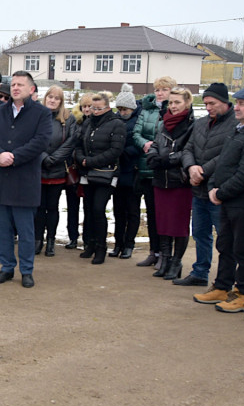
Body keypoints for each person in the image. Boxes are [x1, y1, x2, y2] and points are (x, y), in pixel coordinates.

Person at [193, 86, 244, 312]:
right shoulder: (239, 129)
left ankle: (243, 294)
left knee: (243, 248)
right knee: (225, 244)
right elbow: (223, 163)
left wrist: (219, 192)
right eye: (236, 103)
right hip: (228, 199)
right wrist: (213, 186)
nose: (236, 108)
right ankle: (222, 287)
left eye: (242, 104)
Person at [0, 71, 52, 287]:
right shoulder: (0, 111)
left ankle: (27, 270)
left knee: (25, 230)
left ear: (31, 89)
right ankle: (6, 268)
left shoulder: (41, 113)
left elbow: (41, 141)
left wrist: (14, 157)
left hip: (25, 180)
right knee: (2, 229)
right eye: (13, 84)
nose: (15, 88)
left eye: (20, 84)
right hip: (0, 179)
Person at [175, 83, 234, 286]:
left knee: (225, 238)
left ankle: (227, 279)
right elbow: (188, 148)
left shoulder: (236, 124)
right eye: (206, 103)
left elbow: (227, 154)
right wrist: (191, 167)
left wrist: (203, 171)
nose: (208, 107)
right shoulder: (200, 123)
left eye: (212, 103)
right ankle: (200, 272)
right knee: (200, 233)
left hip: (219, 191)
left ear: (225, 102)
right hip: (197, 189)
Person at [146, 87, 195, 280]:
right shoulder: (163, 122)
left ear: (187, 103)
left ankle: (177, 262)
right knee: (163, 221)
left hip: (179, 181)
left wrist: (169, 159)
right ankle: (164, 259)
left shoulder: (192, 125)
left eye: (177, 102)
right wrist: (153, 156)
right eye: (171, 102)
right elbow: (156, 144)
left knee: (179, 224)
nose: (173, 106)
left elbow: (190, 150)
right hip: (160, 179)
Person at [73, 91, 126, 264]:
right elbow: (80, 144)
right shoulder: (88, 123)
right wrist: (82, 159)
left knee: (98, 209)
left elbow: (115, 151)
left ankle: (101, 247)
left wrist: (91, 161)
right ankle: (91, 244)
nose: (94, 111)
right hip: (87, 172)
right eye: (92, 108)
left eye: (98, 108)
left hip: (106, 173)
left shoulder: (116, 124)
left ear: (107, 107)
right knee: (88, 209)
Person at [133, 76, 176, 269]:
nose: (160, 93)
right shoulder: (146, 109)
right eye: (158, 89)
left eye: (164, 89)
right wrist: (145, 144)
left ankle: (167, 254)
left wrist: (157, 147)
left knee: (165, 214)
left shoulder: (173, 110)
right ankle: (154, 251)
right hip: (146, 167)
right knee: (151, 212)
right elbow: (136, 133)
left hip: (165, 168)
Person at [36, 85, 76, 258]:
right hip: (38, 168)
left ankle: (51, 240)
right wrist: (44, 157)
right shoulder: (36, 116)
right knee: (38, 207)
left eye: (56, 98)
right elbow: (32, 139)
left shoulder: (69, 119)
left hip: (58, 169)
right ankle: (38, 239)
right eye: (50, 97)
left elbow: (71, 141)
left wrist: (54, 158)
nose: (52, 100)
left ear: (61, 101)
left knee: (52, 207)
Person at [110, 84, 140, 259]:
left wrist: (122, 150)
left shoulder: (138, 121)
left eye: (125, 109)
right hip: (118, 171)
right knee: (118, 211)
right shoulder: (115, 121)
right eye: (120, 109)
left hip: (133, 170)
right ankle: (118, 243)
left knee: (132, 210)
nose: (122, 112)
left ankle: (129, 243)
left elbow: (139, 144)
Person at [64, 93, 92, 249]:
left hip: (89, 169)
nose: (87, 109)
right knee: (72, 206)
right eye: (84, 106)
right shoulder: (76, 122)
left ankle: (88, 239)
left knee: (88, 207)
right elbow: (71, 142)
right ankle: (72, 237)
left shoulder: (96, 123)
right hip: (74, 169)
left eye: (89, 106)